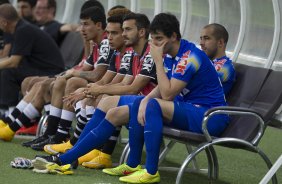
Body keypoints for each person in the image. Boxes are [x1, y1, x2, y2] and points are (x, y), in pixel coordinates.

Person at [33, 12, 156, 172]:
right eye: (122, 30)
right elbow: (124, 83)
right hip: (142, 102)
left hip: (152, 105)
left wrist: (98, 89)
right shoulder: (133, 53)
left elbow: (132, 88)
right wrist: (95, 89)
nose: (123, 34)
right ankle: (73, 154)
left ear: (141, 32)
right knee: (105, 103)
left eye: (126, 30)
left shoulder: (150, 52)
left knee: (104, 100)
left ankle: (75, 154)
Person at [0, 4, 64, 141]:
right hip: (42, 68)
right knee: (26, 81)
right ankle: (16, 120)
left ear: (4, 22)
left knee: (8, 72)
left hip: (52, 70)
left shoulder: (23, 30)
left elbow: (14, 61)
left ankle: (9, 116)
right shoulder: (18, 29)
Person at [200, 23, 235, 95]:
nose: (201, 43)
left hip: (204, 105)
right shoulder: (205, 63)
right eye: (201, 39)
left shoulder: (225, 67)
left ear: (220, 43)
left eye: (206, 38)